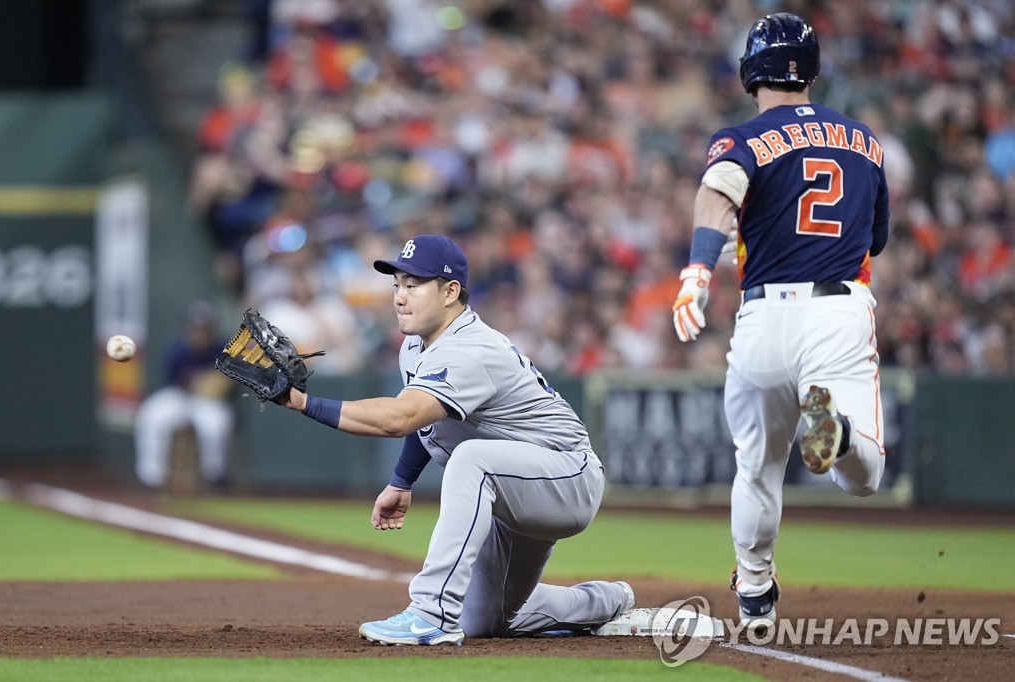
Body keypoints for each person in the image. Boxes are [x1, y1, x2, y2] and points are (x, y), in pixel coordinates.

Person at [275, 234, 634, 645]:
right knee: (487, 618)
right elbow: (426, 420)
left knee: (471, 460)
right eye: (396, 285)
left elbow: (400, 418)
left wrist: (304, 403)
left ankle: (430, 613)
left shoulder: (471, 349)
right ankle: (604, 601)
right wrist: (401, 481)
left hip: (567, 477)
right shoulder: (415, 346)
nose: (399, 297)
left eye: (413, 285)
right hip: (518, 480)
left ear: (450, 292)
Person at [671, 13, 890, 633]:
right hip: (838, 311)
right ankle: (840, 436)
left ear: (750, 70)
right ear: (812, 70)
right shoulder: (865, 140)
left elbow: (719, 189)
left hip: (763, 316)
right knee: (864, 477)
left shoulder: (742, 138)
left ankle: (757, 597)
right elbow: (877, 239)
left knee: (757, 469)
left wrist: (696, 272)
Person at [135, 301, 236, 490]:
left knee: (216, 425)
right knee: (150, 415)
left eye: (205, 329)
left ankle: (214, 477)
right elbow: (181, 383)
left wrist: (212, 383)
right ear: (188, 329)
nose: (201, 333)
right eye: (196, 329)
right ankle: (151, 477)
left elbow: (226, 382)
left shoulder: (224, 349)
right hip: (180, 397)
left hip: (209, 403)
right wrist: (204, 381)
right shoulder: (177, 351)